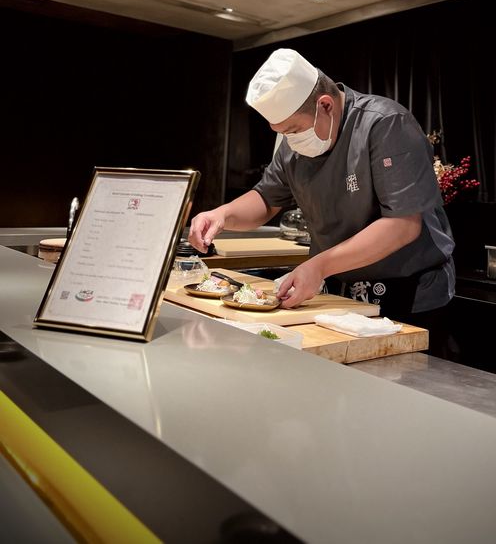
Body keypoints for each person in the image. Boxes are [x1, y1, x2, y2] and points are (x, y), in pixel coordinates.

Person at [189, 48, 457, 357]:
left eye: (292, 129)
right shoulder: (293, 147)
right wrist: (222, 215)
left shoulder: (384, 123)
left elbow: (403, 226)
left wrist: (318, 265)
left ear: (325, 105)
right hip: (340, 297)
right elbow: (265, 198)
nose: (290, 140)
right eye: (281, 132)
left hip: (408, 293)